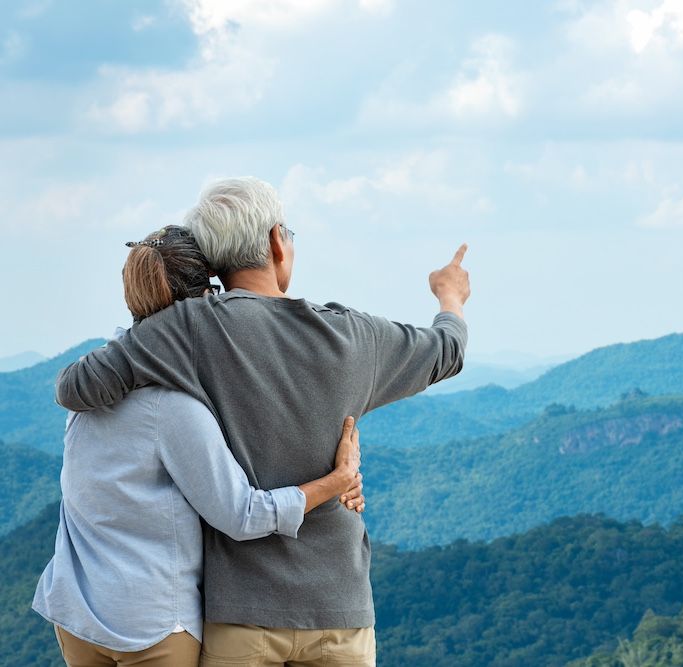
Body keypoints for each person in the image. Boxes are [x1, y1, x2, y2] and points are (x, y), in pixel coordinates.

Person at [55, 176, 471, 666]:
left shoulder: (187, 328)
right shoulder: (357, 337)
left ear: (213, 260)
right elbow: (448, 352)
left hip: (240, 615)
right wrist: (450, 298)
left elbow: (77, 388)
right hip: (339, 606)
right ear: (278, 240)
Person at [34, 226, 366, 667]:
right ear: (205, 298)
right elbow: (242, 515)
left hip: (76, 611)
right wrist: (336, 481)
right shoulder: (172, 407)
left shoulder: (92, 383)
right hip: (151, 626)